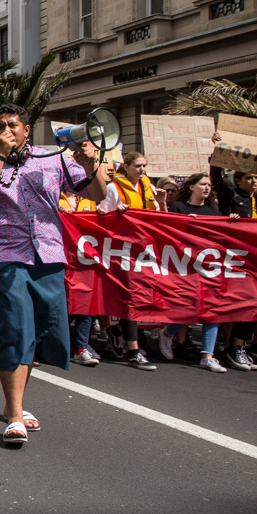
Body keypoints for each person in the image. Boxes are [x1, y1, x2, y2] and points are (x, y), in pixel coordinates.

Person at [0, 103, 107, 445]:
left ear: (27, 129)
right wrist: (0, 157)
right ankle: (14, 415)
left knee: (39, 330)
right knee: (14, 328)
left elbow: (95, 193)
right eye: (0, 125)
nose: (6, 130)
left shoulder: (53, 159)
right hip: (5, 256)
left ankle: (13, 404)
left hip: (47, 254)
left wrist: (92, 165)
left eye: (12, 125)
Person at [98, 151, 164, 369]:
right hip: (122, 251)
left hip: (144, 251)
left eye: (144, 166)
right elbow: (101, 219)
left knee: (143, 297)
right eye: (138, 166)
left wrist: (162, 202)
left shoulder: (149, 188)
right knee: (131, 298)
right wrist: (117, 213)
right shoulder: (113, 188)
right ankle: (134, 350)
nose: (142, 170)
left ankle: (117, 330)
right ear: (125, 166)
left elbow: (162, 218)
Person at [158, 173, 227, 372]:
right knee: (192, 308)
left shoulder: (213, 211)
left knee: (212, 309)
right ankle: (169, 332)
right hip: (186, 267)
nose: (207, 188)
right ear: (191, 187)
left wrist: (232, 221)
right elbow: (168, 227)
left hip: (209, 267)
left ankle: (207, 355)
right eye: (203, 184)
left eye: (209, 185)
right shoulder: (179, 208)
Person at [209, 142, 257, 371]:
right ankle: (228, 347)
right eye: (249, 178)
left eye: (256, 178)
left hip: (256, 261)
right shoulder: (231, 197)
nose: (254, 182)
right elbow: (216, 177)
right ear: (239, 181)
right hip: (233, 260)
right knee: (240, 304)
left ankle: (238, 346)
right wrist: (218, 150)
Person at [59, 189, 100, 367]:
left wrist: (102, 214)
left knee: (85, 301)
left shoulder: (90, 198)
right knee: (61, 303)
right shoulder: (53, 194)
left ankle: (81, 347)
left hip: (84, 256)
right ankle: (61, 344)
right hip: (60, 254)